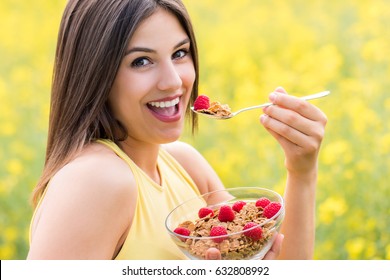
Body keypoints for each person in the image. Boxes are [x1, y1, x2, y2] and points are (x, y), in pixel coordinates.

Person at [27, 0, 326, 260]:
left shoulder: (185, 164)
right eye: (141, 61)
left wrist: (301, 170)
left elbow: (276, 262)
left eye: (180, 53)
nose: (173, 81)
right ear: (96, 74)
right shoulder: (94, 181)